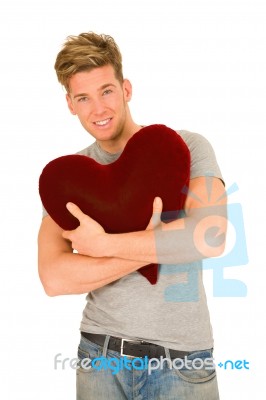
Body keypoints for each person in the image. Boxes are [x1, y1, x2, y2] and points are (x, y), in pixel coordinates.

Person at [38, 32, 227, 400]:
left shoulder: (185, 148)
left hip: (182, 362)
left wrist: (103, 245)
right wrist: (162, 242)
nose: (99, 108)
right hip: (100, 358)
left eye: (106, 91)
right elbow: (53, 277)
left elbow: (210, 236)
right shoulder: (69, 179)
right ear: (70, 104)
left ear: (126, 89)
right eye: (83, 98)